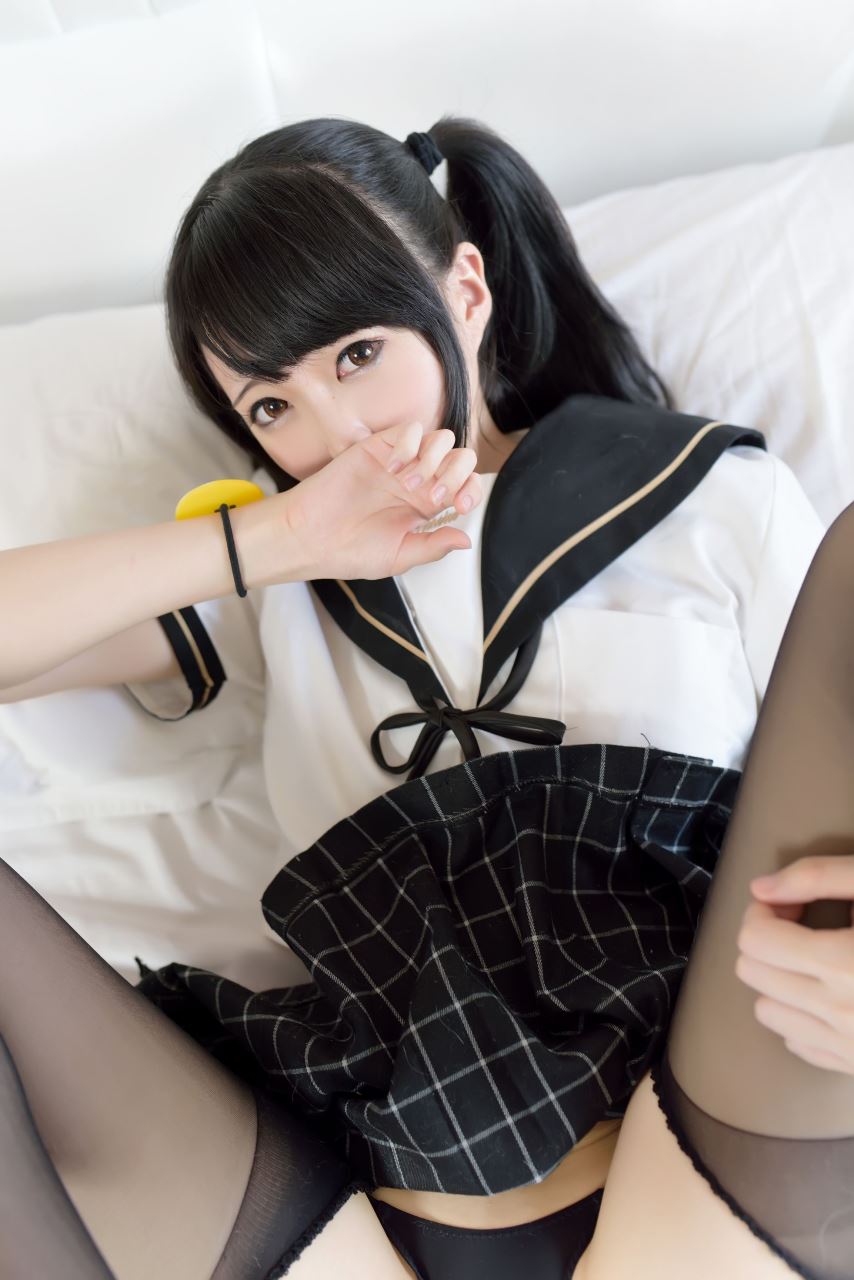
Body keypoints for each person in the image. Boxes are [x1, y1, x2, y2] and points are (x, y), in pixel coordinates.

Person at [0, 116, 851, 1280]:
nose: (337, 434)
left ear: (465, 292)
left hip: (716, 1138)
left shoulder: (713, 498)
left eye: (356, 354)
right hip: (399, 1201)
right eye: (270, 407)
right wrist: (272, 539)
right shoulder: (271, 584)